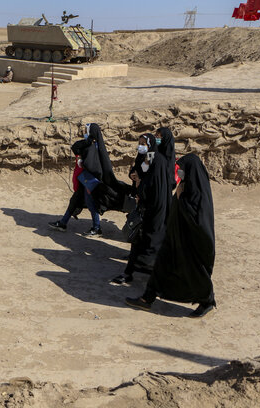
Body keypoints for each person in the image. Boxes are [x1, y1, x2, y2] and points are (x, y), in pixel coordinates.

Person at [126, 154, 216, 317]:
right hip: (174, 239)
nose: (180, 173)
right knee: (161, 267)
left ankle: (207, 301)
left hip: (191, 245)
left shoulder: (198, 193)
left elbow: (199, 221)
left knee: (195, 273)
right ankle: (147, 298)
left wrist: (181, 199)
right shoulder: (186, 186)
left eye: (182, 170)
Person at [111, 134, 171, 285]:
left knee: (145, 242)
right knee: (138, 241)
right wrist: (135, 178)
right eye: (140, 143)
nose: (141, 146)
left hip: (152, 211)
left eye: (143, 144)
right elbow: (140, 173)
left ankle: (135, 273)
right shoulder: (149, 158)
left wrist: (140, 184)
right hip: (145, 207)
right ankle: (129, 272)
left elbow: (152, 186)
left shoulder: (157, 162)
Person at [49, 124, 103, 236]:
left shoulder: (95, 147)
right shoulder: (89, 144)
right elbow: (75, 147)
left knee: (90, 203)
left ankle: (97, 228)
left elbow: (94, 166)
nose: (84, 132)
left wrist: (82, 163)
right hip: (83, 180)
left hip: (90, 181)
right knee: (74, 200)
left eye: (86, 131)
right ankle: (63, 223)